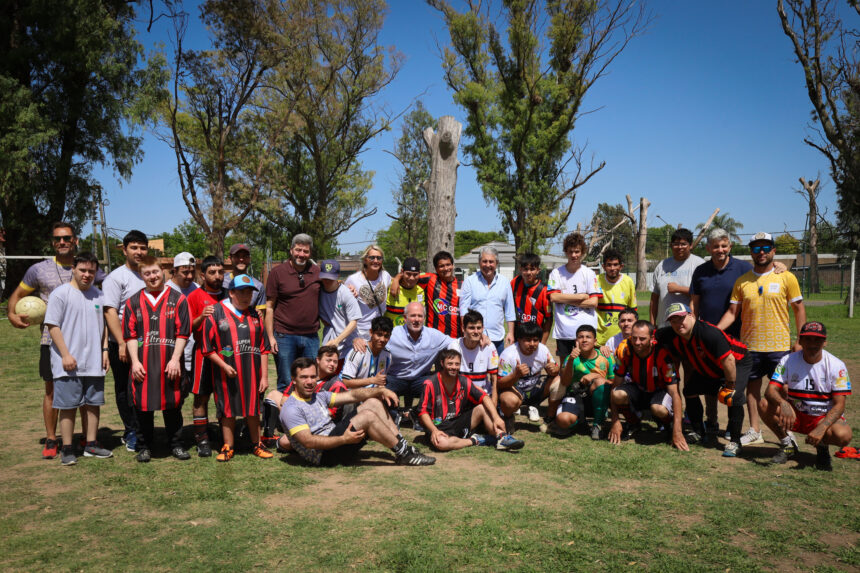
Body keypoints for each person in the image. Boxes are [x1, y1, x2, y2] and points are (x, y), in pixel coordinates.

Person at [7, 222, 102, 459]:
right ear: (52, 242)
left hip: (84, 340)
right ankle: (52, 438)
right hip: (51, 340)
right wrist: (11, 315)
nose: (62, 242)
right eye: (58, 239)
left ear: (75, 241)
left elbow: (105, 296)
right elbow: (17, 296)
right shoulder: (39, 270)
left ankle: (85, 437)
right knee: (52, 390)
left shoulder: (88, 267)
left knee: (83, 389)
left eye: (67, 238)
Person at [717, 231, 806, 447]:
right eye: (757, 248)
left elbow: (798, 308)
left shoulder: (786, 277)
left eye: (766, 248)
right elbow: (732, 312)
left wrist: (800, 340)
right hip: (751, 346)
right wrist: (714, 332)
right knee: (752, 390)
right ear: (751, 253)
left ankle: (785, 430)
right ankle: (754, 430)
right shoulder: (743, 281)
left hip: (779, 345)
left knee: (782, 391)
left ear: (773, 251)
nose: (762, 252)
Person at [278, 358, 435, 466]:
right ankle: (405, 455)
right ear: (294, 379)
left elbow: (352, 395)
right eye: (304, 377)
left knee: (373, 402)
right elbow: (308, 442)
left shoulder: (318, 396)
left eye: (313, 377)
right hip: (323, 455)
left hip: (334, 436)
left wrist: (380, 391)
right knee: (367, 416)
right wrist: (343, 439)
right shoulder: (291, 408)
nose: (310, 381)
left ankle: (404, 447)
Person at [656, 302, 751, 457]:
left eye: (681, 318)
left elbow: (729, 361)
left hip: (737, 362)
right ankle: (699, 432)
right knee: (690, 391)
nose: (678, 323)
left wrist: (729, 385)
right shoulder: (672, 333)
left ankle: (735, 441)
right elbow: (652, 335)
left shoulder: (709, 333)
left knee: (732, 397)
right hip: (710, 365)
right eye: (673, 321)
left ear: (691, 315)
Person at [43, 252, 111, 466]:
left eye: (91, 271)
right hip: (68, 362)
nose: (87, 275)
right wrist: (65, 354)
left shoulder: (99, 295)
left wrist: (105, 350)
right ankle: (68, 448)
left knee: (93, 404)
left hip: (93, 361)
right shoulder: (60, 294)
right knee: (68, 406)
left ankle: (91, 444)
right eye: (83, 270)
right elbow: (52, 326)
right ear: (73, 268)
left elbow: (104, 327)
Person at [122, 256, 191, 462]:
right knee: (142, 406)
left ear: (163, 272)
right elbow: (130, 335)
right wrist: (135, 361)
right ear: (141, 276)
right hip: (143, 362)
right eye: (147, 273)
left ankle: (176, 444)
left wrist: (175, 359)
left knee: (173, 404)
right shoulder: (133, 301)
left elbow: (182, 333)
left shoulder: (178, 299)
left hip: (169, 362)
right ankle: (144, 446)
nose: (152, 277)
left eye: (155, 272)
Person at [201, 274, 273, 462]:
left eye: (249, 291)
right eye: (241, 291)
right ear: (231, 292)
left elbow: (264, 348)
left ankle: (257, 444)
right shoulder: (216, 312)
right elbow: (207, 349)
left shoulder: (256, 314)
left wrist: (264, 377)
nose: (246, 295)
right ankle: (228, 446)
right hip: (226, 374)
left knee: (253, 409)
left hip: (252, 373)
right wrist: (224, 365)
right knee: (227, 410)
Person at [762, 321, 852, 471]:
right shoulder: (788, 360)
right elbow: (770, 390)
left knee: (843, 435)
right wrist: (783, 404)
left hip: (821, 417)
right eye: (808, 339)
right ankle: (787, 444)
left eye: (818, 339)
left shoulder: (837, 365)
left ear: (825, 342)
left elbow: (839, 405)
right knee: (764, 405)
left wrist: (822, 428)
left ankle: (822, 447)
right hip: (796, 414)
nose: (812, 344)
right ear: (800, 340)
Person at [417, 349, 524, 451]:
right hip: (438, 426)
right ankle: (475, 440)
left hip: (458, 422)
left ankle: (502, 437)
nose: (454, 367)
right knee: (441, 443)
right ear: (442, 363)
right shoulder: (430, 383)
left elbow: (484, 397)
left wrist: (496, 418)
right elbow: (423, 412)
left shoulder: (464, 381)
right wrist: (434, 430)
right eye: (450, 364)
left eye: (457, 364)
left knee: (482, 407)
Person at [607, 320, 688, 450]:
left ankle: (669, 425)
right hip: (639, 389)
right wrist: (615, 421)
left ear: (651, 338)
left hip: (658, 392)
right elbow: (615, 386)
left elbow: (674, 393)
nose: (637, 342)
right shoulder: (624, 351)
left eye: (642, 339)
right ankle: (633, 423)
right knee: (618, 394)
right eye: (634, 338)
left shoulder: (663, 355)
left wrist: (678, 431)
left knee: (659, 409)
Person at [102, 229, 148, 453]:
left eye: (142, 247)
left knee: (144, 387)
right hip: (121, 343)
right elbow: (110, 312)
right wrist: (121, 343)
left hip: (146, 344)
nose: (139, 252)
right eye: (134, 247)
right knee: (124, 389)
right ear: (124, 250)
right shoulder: (115, 278)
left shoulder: (149, 274)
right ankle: (130, 430)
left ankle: (144, 428)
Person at [265, 234, 321, 392]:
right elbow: (269, 307)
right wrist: (270, 337)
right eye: (298, 250)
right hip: (284, 335)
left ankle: (305, 415)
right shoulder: (277, 273)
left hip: (311, 336)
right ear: (291, 250)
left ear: (310, 253)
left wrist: (349, 288)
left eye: (305, 251)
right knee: (286, 381)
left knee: (310, 380)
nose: (301, 254)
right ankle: (284, 416)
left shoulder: (317, 272)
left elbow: (332, 288)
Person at [185, 256, 227, 456]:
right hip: (203, 354)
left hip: (226, 354)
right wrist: (201, 316)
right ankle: (201, 439)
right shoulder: (194, 296)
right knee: (201, 398)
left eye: (220, 272)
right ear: (202, 275)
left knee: (224, 396)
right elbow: (185, 328)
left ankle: (225, 436)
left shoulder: (230, 295)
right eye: (212, 272)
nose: (217, 276)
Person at [385, 302, 455, 422]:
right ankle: (394, 415)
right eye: (413, 316)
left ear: (424, 318)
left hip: (419, 379)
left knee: (437, 384)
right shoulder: (393, 334)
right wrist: (358, 340)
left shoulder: (433, 335)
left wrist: (479, 339)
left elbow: (455, 343)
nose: (416, 319)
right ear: (405, 318)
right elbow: (373, 342)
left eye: (420, 316)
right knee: (381, 388)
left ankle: (417, 415)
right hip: (395, 378)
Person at [497, 322, 563, 434]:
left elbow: (556, 369)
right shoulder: (508, 355)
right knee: (509, 400)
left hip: (535, 390)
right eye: (527, 340)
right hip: (516, 391)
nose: (532, 344)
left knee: (559, 381)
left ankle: (550, 419)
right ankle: (508, 418)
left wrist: (554, 370)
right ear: (519, 340)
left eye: (535, 340)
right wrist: (515, 375)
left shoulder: (543, 350)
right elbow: (499, 383)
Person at [548, 232, 601, 363]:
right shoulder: (556, 273)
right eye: (570, 252)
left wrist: (564, 298)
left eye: (577, 252)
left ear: (582, 252)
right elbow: (554, 297)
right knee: (565, 367)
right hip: (564, 331)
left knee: (586, 367)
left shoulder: (589, 274)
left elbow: (594, 302)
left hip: (586, 332)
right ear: (565, 252)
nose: (574, 255)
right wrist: (581, 297)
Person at [555, 325, 613, 440]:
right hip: (577, 397)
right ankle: (580, 421)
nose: (584, 340)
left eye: (588, 337)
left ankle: (597, 425)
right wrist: (571, 360)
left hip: (598, 397)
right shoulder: (571, 358)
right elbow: (565, 382)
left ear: (595, 341)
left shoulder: (606, 357)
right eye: (580, 337)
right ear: (576, 341)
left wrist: (595, 376)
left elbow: (614, 383)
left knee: (600, 382)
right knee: (563, 420)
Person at [459, 246, 516, 353]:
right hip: (474, 337)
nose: (488, 265)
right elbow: (463, 310)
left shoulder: (505, 282)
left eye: (491, 261)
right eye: (484, 261)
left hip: (497, 338)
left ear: (497, 263)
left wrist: (511, 332)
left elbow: (509, 310)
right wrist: (466, 332)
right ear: (479, 262)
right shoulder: (470, 282)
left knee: (495, 369)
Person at [392, 250, 461, 338]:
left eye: (448, 265)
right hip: (433, 337)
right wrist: (396, 279)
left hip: (456, 338)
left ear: (453, 265)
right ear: (436, 269)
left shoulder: (463, 285)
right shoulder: (430, 279)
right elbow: (410, 275)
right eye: (441, 266)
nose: (446, 268)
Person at [649, 228, 704, 328]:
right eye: (676, 244)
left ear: (691, 245)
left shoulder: (699, 265)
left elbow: (705, 294)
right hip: (665, 326)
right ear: (671, 245)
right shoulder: (662, 265)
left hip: (689, 328)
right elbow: (654, 299)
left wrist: (679, 289)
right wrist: (652, 325)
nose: (679, 247)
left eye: (683, 244)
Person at [344, 245, 391, 348]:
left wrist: (397, 279)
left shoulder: (385, 276)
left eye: (379, 258)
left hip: (379, 332)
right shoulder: (353, 280)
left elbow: (397, 281)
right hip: (360, 333)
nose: (375, 261)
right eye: (372, 257)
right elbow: (341, 300)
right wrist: (354, 337)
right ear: (365, 260)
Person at [448, 310, 499, 404]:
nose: (476, 332)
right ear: (463, 328)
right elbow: (450, 377)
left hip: (483, 396)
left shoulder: (489, 347)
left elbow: (494, 378)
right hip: (461, 395)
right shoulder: (454, 346)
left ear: (483, 328)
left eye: (479, 328)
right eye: (471, 328)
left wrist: (494, 403)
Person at [166, 252, 198, 396]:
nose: (190, 276)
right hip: (173, 354)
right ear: (174, 271)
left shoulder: (197, 288)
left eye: (192, 272)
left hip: (194, 351)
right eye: (185, 272)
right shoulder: (165, 290)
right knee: (176, 397)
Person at [318, 259, 360, 359]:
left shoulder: (346, 293)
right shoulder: (318, 290)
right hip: (329, 343)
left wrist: (337, 340)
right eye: (325, 277)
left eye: (330, 278)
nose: (327, 281)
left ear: (337, 276)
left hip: (348, 346)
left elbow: (354, 322)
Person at [596, 249, 637, 348]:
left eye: (615, 264)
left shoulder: (628, 282)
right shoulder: (596, 280)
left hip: (622, 338)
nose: (612, 268)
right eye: (609, 265)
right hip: (600, 339)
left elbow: (633, 312)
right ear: (603, 267)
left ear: (621, 266)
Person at [510, 252, 553, 344]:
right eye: (525, 269)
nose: (528, 272)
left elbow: (549, 319)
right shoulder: (515, 282)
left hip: (535, 337)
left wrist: (543, 342)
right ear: (520, 269)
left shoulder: (544, 290)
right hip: (519, 335)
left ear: (538, 270)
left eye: (532, 269)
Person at [341, 316, 393, 389]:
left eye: (386, 336)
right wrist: (372, 380)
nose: (382, 339)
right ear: (371, 332)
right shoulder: (358, 352)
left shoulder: (387, 355)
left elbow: (380, 383)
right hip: (352, 395)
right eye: (379, 334)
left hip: (372, 394)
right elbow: (345, 382)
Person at [223, 243, 267, 316]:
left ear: (249, 259)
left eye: (245, 256)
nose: (241, 259)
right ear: (230, 258)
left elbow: (260, 318)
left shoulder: (258, 286)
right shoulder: (222, 281)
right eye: (237, 256)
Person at [385, 257, 424, 327]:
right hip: (391, 335)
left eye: (415, 274)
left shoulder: (420, 291)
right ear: (402, 272)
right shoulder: (389, 286)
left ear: (419, 273)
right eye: (408, 274)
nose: (412, 278)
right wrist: (396, 279)